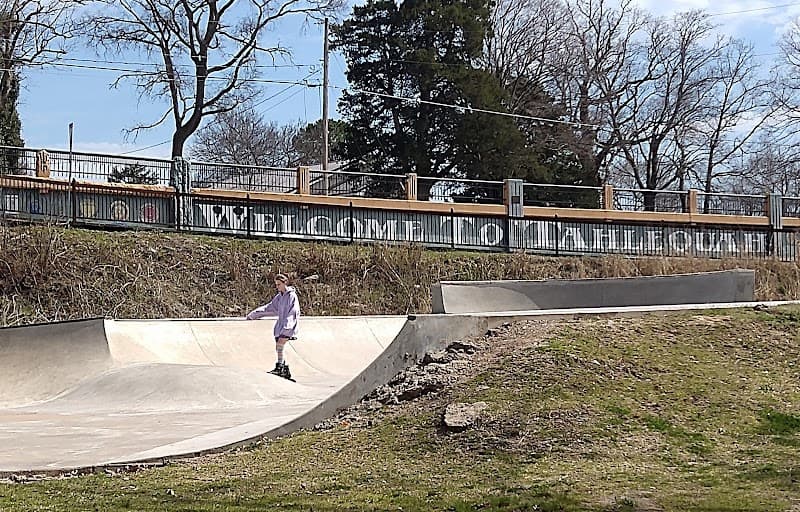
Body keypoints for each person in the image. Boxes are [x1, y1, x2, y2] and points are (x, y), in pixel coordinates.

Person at [245, 273, 300, 381]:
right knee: (279, 346)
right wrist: (254, 314)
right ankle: (283, 368)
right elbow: (269, 308)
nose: (277, 287)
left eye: (279, 284)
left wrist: (287, 326)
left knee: (280, 344)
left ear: (285, 283)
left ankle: (280, 367)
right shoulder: (279, 297)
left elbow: (294, 311)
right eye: (276, 285)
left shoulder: (291, 296)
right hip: (281, 326)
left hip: (289, 325)